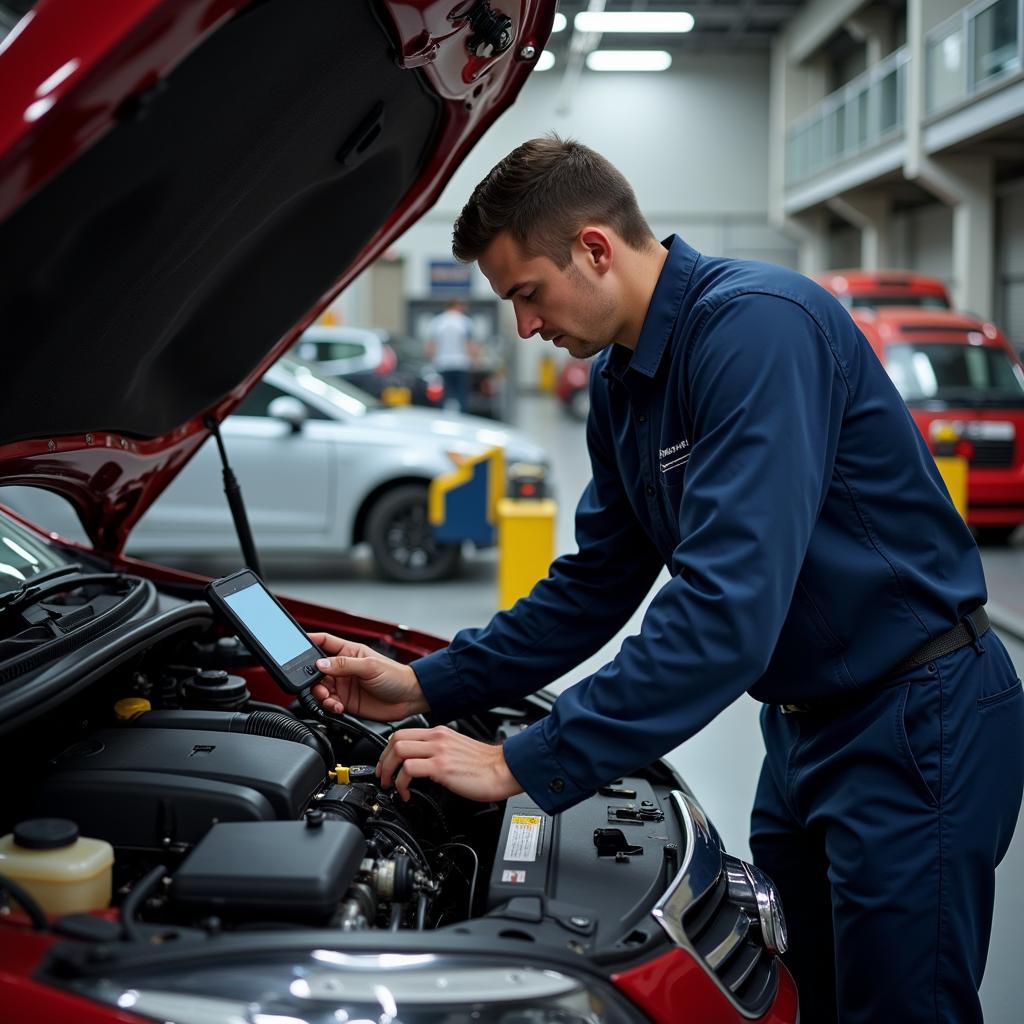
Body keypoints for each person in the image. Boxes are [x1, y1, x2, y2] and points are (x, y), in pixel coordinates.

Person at [311, 137, 1024, 1023]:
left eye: (527, 293)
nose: (526, 327)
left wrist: (521, 761)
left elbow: (728, 612)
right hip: (804, 732)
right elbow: (598, 582)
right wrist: (425, 681)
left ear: (596, 248)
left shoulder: (758, 330)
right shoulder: (623, 384)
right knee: (812, 998)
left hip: (916, 719)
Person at [425, 297, 477, 412]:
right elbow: (470, 344)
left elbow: (431, 345)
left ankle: (442, 420)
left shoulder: (437, 322)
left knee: (443, 395)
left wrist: (431, 360)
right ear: (458, 306)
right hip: (461, 363)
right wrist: (474, 360)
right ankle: (463, 420)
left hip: (442, 363)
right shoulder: (465, 321)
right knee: (462, 395)